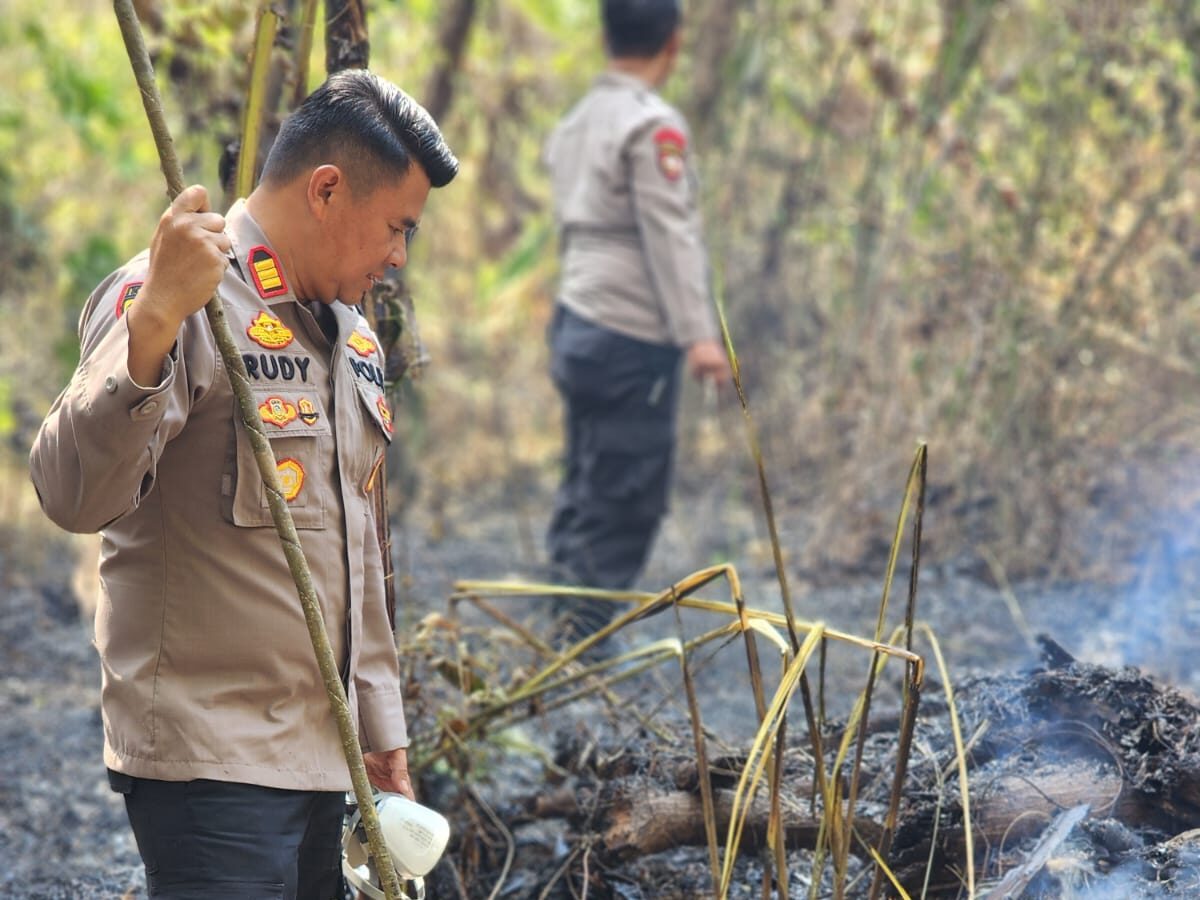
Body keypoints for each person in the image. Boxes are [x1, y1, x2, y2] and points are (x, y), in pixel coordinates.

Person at [29, 70, 457, 899]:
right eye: (398, 228)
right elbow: (70, 493)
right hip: (210, 759)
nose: (400, 257)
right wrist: (155, 318)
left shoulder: (352, 338)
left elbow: (357, 553)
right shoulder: (181, 296)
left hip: (319, 755)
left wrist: (378, 728)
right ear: (328, 189)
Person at [543, 0, 731, 643]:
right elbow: (668, 233)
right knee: (624, 496)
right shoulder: (653, 127)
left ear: (608, 35)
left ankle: (561, 630)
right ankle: (580, 650)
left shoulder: (578, 121)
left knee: (587, 478)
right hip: (628, 335)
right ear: (672, 43)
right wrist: (700, 336)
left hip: (577, 324)